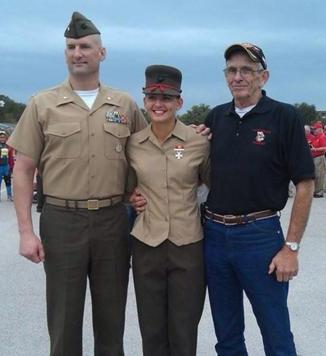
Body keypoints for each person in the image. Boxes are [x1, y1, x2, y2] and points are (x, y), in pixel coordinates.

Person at [8, 12, 146, 356]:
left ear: (102, 53)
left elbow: (148, 155)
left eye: (85, 46)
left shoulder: (124, 104)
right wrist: (26, 232)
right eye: (71, 46)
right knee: (64, 317)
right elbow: (23, 170)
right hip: (62, 220)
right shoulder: (43, 104)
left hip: (113, 220)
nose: (77, 53)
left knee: (111, 319)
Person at [202, 43, 315, 355]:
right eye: (232, 70)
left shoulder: (284, 117)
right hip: (214, 237)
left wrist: (290, 248)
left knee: (275, 332)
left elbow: (305, 184)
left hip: (260, 237)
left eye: (246, 70)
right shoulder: (216, 118)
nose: (238, 77)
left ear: (263, 77)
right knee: (227, 335)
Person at [127, 65, 210, 356]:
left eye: (167, 98)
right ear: (145, 99)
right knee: (151, 329)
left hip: (186, 245)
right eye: (152, 97)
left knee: (184, 327)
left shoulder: (198, 142)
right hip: (147, 244)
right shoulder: (133, 143)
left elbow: (215, 185)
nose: (159, 104)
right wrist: (131, 197)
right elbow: (123, 184)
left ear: (179, 102)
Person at [310, 121, 326, 197]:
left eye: (315, 129)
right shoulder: (316, 137)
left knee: (320, 175)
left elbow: (324, 148)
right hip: (315, 157)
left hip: (319, 157)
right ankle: (316, 190)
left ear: (319, 129)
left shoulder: (322, 136)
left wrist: (315, 149)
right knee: (316, 175)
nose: (313, 130)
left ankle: (320, 191)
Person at [0, 130, 14, 201]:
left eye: (3, 137)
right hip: (0, 167)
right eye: (1, 137)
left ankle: (9, 196)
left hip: (6, 166)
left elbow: (11, 157)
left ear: (6, 138)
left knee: (8, 181)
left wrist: (11, 167)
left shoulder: (8, 146)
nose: (2, 139)